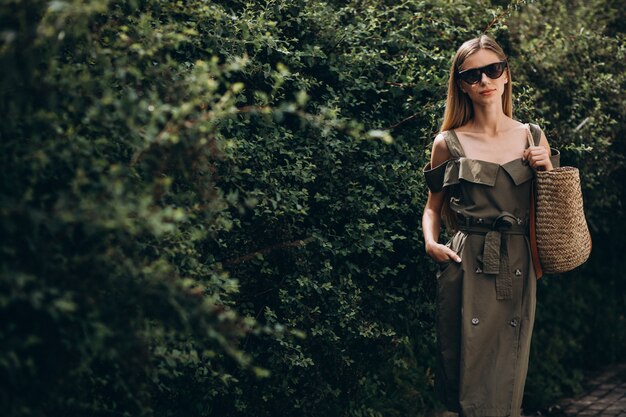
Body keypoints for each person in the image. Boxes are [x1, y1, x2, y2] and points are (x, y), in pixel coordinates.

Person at [421, 35, 560, 417]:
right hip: (466, 262)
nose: (485, 81)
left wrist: (547, 168)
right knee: (463, 369)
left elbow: (552, 207)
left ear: (506, 75)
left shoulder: (532, 136)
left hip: (517, 262)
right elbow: (433, 207)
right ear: (461, 84)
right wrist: (431, 242)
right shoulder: (447, 142)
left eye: (493, 70)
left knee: (507, 374)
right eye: (473, 75)